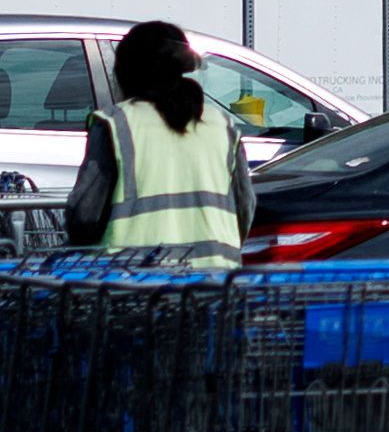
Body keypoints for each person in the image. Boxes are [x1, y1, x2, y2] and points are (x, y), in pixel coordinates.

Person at [65, 21, 253, 266]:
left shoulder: (117, 124)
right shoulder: (222, 126)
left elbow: (84, 217)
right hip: (216, 282)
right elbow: (244, 209)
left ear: (126, 72)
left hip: (134, 283)